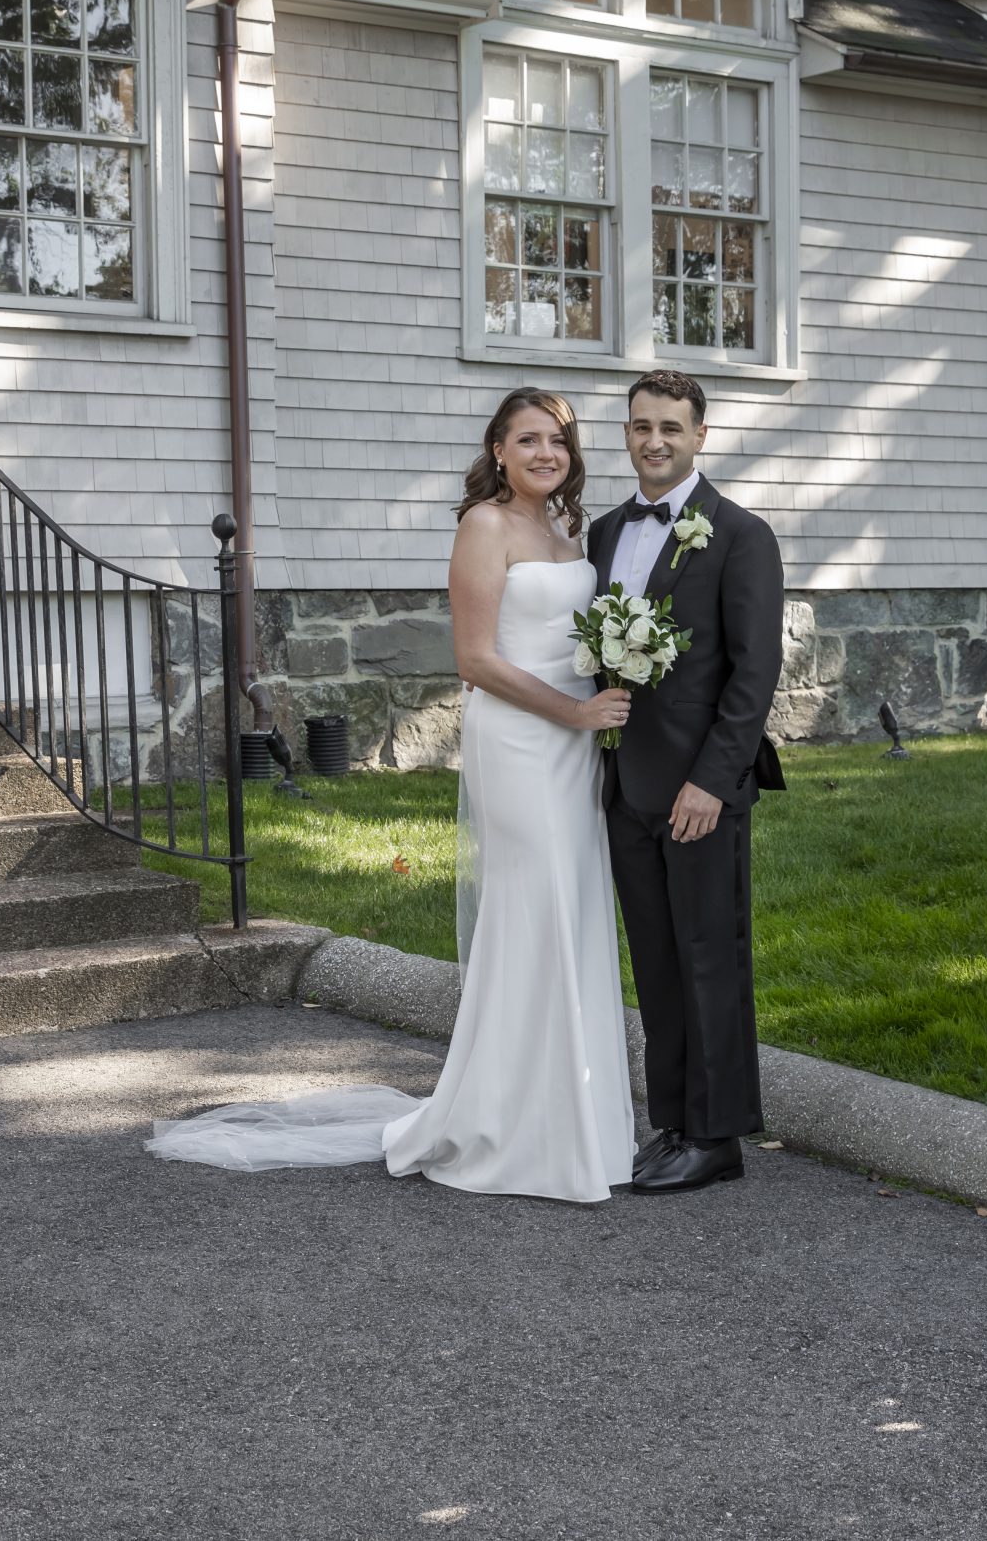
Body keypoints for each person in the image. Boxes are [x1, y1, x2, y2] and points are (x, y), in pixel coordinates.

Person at [143, 388, 639, 1202]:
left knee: (576, 910)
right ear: (499, 449)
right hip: (521, 737)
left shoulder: (569, 527)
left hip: (575, 741)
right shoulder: (482, 525)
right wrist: (575, 710)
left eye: (558, 440)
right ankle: (509, 1125)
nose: (546, 452)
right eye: (528, 439)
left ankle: (573, 1120)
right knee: (536, 909)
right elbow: (476, 661)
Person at [588, 370, 785, 1193]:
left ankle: (719, 1136)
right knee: (657, 963)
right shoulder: (603, 532)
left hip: (701, 790)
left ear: (701, 434)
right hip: (625, 786)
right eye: (641, 426)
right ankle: (672, 1122)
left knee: (710, 958)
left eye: (671, 426)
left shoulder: (740, 535)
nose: (655, 440)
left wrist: (712, 779)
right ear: (627, 433)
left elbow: (754, 672)